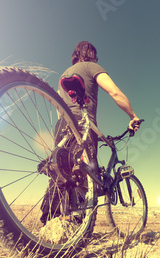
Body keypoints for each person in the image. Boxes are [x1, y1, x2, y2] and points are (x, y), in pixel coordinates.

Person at [39, 41, 141, 224]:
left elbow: (58, 107)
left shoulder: (64, 74)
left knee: (60, 174)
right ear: (91, 54)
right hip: (83, 125)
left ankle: (50, 228)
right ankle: (80, 228)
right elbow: (115, 92)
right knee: (84, 177)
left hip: (62, 126)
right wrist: (132, 116)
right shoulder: (92, 67)